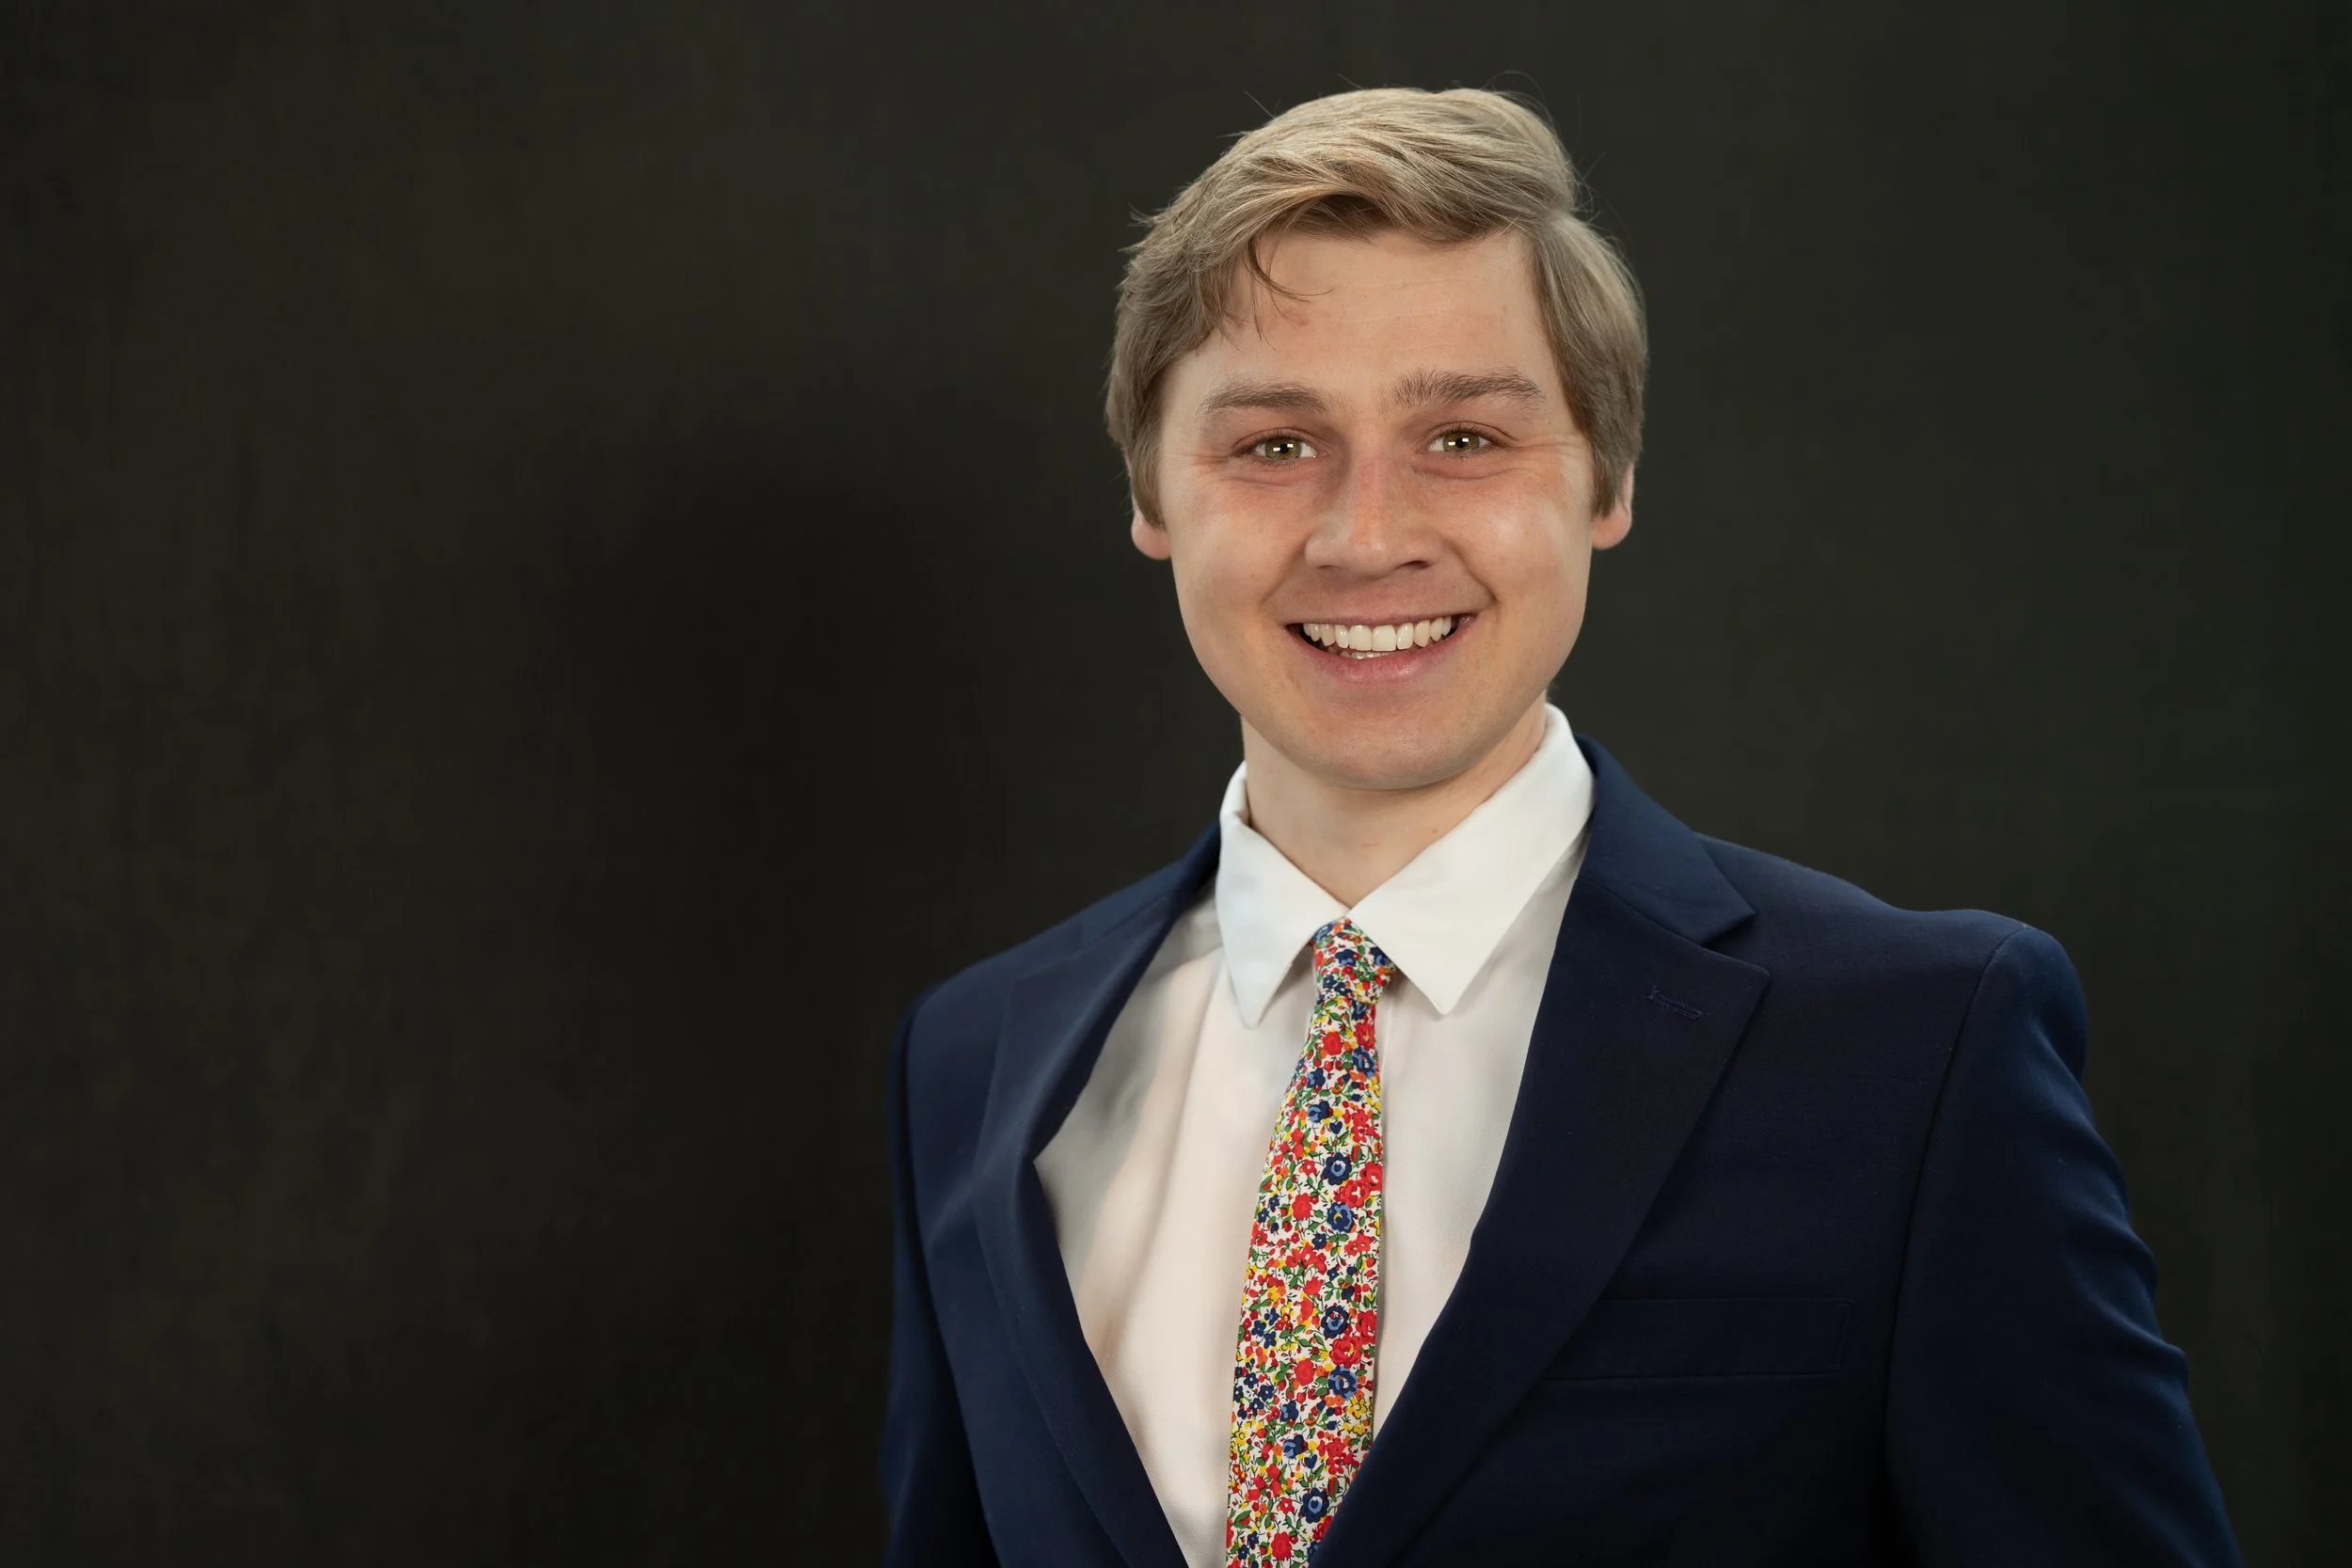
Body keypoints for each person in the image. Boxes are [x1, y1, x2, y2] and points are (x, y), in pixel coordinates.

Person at [877, 87, 2240, 1567]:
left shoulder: (1918, 1051)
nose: (1364, 532)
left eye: (1464, 435)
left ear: (1610, 478)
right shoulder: (976, 1063)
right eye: (1274, 445)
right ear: (1152, 491)